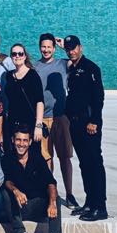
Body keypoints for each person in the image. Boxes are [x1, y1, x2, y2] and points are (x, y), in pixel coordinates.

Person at [63, 35, 107, 221]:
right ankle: (90, 202)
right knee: (84, 164)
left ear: (80, 47)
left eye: (73, 48)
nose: (71, 51)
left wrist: (94, 121)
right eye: (67, 49)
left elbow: (98, 97)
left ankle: (100, 206)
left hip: (89, 123)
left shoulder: (90, 68)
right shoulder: (73, 68)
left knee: (94, 163)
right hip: (75, 123)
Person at [1, 126, 62, 233]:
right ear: (13, 140)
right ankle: (20, 232)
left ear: (29, 142)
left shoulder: (37, 158)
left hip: (36, 206)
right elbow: (5, 180)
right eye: (18, 140)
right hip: (16, 208)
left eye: (24, 140)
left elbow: (51, 182)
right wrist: (16, 191)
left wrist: (52, 203)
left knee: (56, 197)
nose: (21, 144)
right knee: (5, 193)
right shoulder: (7, 158)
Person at [36, 34, 76, 208]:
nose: (46, 50)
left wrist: (64, 47)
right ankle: (50, 192)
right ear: (39, 47)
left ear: (53, 47)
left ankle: (69, 194)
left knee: (64, 157)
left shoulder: (62, 64)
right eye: (43, 47)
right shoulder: (35, 67)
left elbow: (78, 61)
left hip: (61, 117)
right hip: (42, 118)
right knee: (46, 158)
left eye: (49, 47)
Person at [0, 43, 43, 156]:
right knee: (14, 156)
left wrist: (38, 126)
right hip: (13, 123)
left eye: (20, 53)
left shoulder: (33, 75)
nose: (17, 56)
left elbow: (40, 101)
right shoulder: (8, 76)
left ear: (24, 56)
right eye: (14, 54)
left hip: (30, 123)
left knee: (33, 156)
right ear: (11, 57)